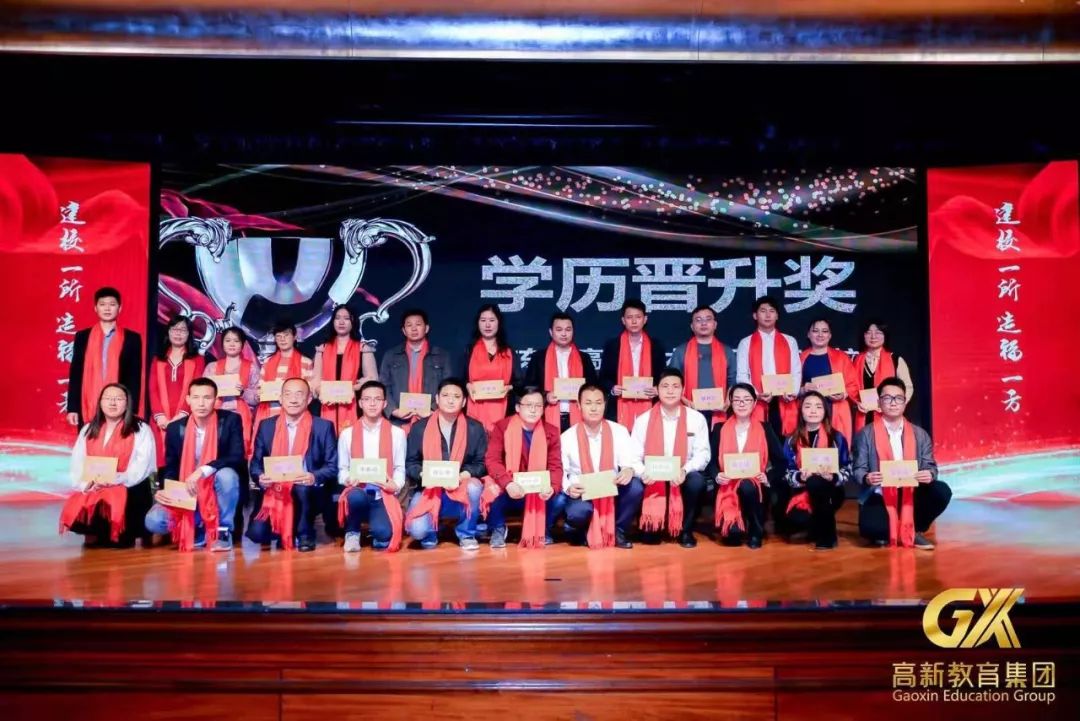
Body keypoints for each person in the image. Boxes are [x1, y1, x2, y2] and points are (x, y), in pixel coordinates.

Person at [143, 378, 245, 551]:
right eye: (196, 398)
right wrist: (167, 490)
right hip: (187, 492)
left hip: (216, 490)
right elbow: (171, 466)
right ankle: (197, 526)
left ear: (215, 400)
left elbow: (236, 456)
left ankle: (223, 531)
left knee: (227, 475)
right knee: (154, 521)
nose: (201, 403)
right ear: (188, 400)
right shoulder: (175, 428)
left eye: (207, 397)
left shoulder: (230, 420)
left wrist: (203, 471)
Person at [852, 377, 950, 550]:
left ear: (905, 402)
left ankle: (914, 529)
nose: (893, 403)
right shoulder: (866, 434)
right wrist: (867, 478)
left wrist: (929, 474)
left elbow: (930, 466)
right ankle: (891, 527)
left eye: (898, 398)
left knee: (941, 491)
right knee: (873, 530)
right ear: (879, 403)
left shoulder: (920, 434)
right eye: (887, 398)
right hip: (880, 493)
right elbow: (858, 469)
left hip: (911, 492)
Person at [247, 378, 338, 552]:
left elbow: (332, 466)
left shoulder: (323, 427)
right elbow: (256, 464)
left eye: (299, 395)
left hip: (309, 491)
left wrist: (314, 476)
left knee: (301, 488)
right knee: (258, 534)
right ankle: (287, 529)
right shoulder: (266, 426)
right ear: (280, 398)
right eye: (288, 395)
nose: (293, 400)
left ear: (309, 399)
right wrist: (260, 477)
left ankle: (305, 534)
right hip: (274, 491)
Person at [60, 383, 155, 547]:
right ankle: (96, 531)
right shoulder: (88, 429)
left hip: (128, 485)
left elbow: (142, 466)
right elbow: (78, 462)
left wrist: (115, 479)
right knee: (86, 505)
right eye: (108, 398)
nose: (112, 403)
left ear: (127, 403)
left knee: (120, 543)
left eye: (118, 399)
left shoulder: (140, 429)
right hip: (95, 485)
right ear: (100, 402)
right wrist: (86, 483)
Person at [555, 384, 644, 549]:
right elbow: (561, 471)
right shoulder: (567, 437)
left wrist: (628, 470)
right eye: (588, 403)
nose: (594, 408)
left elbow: (629, 461)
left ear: (604, 404)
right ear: (579, 405)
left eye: (598, 403)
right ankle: (582, 530)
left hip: (612, 489)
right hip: (583, 491)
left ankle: (618, 531)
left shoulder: (619, 431)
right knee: (578, 513)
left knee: (635, 487)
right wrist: (568, 488)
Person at [628, 368, 710, 548]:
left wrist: (685, 470)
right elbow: (633, 456)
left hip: (681, 474)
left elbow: (703, 454)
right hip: (652, 477)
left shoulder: (696, 419)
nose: (670, 391)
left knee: (696, 482)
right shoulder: (643, 420)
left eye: (675, 386)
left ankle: (685, 530)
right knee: (650, 538)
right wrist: (643, 472)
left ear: (683, 389)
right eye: (665, 386)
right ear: (657, 390)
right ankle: (653, 524)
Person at [404, 378, 488, 550]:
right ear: (437, 399)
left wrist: (462, 476)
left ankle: (466, 533)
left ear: (464, 401)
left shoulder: (475, 428)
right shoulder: (419, 428)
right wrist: (424, 475)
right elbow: (411, 463)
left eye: (456, 397)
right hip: (430, 489)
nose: (451, 400)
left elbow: (481, 463)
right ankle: (432, 530)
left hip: (460, 487)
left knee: (474, 487)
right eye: (446, 396)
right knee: (417, 531)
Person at [482, 386, 564, 548]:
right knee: (491, 490)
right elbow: (492, 460)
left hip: (538, 491)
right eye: (528, 405)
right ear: (518, 407)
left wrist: (552, 487)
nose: (533, 410)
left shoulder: (551, 431)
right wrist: (507, 483)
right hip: (510, 487)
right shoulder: (502, 427)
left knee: (560, 498)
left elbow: (556, 466)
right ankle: (498, 528)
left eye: (538, 406)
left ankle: (543, 529)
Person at [336, 381, 407, 553]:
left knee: (383, 537)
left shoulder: (397, 434)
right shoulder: (347, 434)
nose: (372, 403)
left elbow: (399, 467)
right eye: (367, 399)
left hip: (382, 494)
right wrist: (347, 479)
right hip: (358, 490)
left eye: (377, 399)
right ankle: (352, 532)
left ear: (385, 403)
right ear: (360, 403)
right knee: (355, 497)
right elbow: (342, 469)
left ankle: (376, 527)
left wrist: (396, 485)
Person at [713, 383, 786, 549]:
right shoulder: (719, 429)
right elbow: (710, 463)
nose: (741, 403)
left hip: (755, 487)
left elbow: (781, 462)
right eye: (737, 400)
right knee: (732, 538)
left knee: (747, 485)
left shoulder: (765, 428)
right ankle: (736, 524)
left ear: (754, 403)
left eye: (746, 399)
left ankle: (755, 529)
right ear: (730, 402)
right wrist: (717, 475)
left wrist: (768, 477)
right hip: (727, 487)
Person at [782, 391, 852, 551]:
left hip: (831, 490)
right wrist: (800, 477)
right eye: (808, 406)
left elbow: (847, 468)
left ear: (825, 411)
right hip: (803, 492)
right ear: (801, 411)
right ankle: (817, 526)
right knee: (797, 519)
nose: (813, 411)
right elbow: (786, 472)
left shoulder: (836, 438)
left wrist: (833, 477)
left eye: (818, 407)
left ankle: (827, 536)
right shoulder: (792, 439)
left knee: (817, 483)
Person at [66, 286, 143, 427]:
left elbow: (134, 377)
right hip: (88, 403)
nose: (107, 308)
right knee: (89, 440)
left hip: (119, 406)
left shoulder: (132, 338)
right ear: (96, 308)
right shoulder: (83, 337)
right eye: (102, 304)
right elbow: (76, 373)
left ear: (119, 308)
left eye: (112, 304)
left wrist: (131, 409)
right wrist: (72, 408)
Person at [736, 296, 802, 437]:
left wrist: (792, 392)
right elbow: (742, 375)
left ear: (777, 315)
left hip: (784, 399)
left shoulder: (789, 341)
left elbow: (796, 370)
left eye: (772, 311)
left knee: (783, 442)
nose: (767, 315)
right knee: (759, 439)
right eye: (763, 311)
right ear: (755, 315)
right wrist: (756, 394)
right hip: (758, 400)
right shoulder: (746, 343)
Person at [523, 311, 599, 433]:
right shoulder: (539, 358)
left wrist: (583, 395)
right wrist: (546, 396)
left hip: (579, 416)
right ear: (551, 332)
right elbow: (528, 388)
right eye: (559, 330)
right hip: (547, 417)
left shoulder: (584, 358)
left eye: (568, 329)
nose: (564, 334)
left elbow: (594, 387)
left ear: (573, 331)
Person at [379, 308, 455, 428]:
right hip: (399, 420)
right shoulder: (391, 355)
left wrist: (433, 410)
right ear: (404, 331)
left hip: (432, 418)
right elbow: (383, 386)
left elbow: (448, 387)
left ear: (426, 328)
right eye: (409, 325)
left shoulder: (442, 356)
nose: (414, 328)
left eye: (418, 324)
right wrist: (393, 410)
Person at [599, 299, 666, 428]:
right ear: (623, 320)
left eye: (638, 317)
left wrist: (657, 388)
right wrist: (612, 388)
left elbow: (663, 376)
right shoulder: (612, 346)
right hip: (618, 409)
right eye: (629, 317)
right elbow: (603, 378)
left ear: (645, 319)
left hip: (650, 405)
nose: (634, 321)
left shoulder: (656, 346)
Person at [148, 315, 206, 465]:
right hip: (160, 419)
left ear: (189, 334)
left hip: (186, 417)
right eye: (174, 329)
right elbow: (152, 389)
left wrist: (182, 415)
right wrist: (159, 416)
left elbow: (197, 389)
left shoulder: (197, 360)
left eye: (183, 330)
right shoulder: (158, 359)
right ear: (168, 332)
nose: (178, 333)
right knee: (161, 462)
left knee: (183, 461)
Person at [312, 304, 378, 434]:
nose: (341, 322)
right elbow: (316, 381)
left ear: (353, 322)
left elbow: (372, 380)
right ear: (333, 322)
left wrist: (350, 389)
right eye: (337, 318)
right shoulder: (322, 349)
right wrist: (323, 392)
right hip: (326, 404)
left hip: (354, 405)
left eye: (346, 318)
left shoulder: (363, 348)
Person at [799, 318, 860, 443]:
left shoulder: (842, 357)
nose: (820, 335)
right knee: (809, 445)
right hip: (810, 412)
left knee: (836, 446)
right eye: (815, 331)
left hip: (836, 409)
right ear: (808, 334)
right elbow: (792, 387)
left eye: (825, 331)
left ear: (830, 335)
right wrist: (803, 389)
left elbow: (853, 385)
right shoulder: (801, 358)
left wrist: (843, 394)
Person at [202, 326, 260, 455]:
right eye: (228, 340)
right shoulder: (212, 367)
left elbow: (257, 397)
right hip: (216, 416)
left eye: (236, 341)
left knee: (237, 453)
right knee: (215, 452)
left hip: (240, 417)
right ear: (222, 344)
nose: (232, 344)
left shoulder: (251, 368)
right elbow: (202, 392)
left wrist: (243, 392)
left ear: (243, 344)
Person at [463, 304, 520, 432]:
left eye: (492, 320)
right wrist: (467, 385)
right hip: (474, 409)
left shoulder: (508, 351)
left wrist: (509, 387)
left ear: (499, 323)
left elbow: (519, 382)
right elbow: (461, 379)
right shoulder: (469, 350)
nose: (487, 325)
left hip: (503, 410)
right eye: (483, 320)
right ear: (478, 323)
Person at [252, 321, 315, 432]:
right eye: (278, 336)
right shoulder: (267, 362)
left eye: (286, 335)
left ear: (294, 337)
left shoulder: (306, 362)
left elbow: (310, 393)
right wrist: (258, 395)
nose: (282, 339)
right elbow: (260, 388)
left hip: (295, 418)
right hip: (268, 415)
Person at [853, 320, 915, 432]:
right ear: (863, 336)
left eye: (878, 332)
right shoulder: (856, 360)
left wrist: (895, 404)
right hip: (863, 415)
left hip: (889, 416)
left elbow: (908, 387)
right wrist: (857, 402)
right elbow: (851, 386)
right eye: (868, 332)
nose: (873, 336)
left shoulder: (895, 360)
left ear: (885, 335)